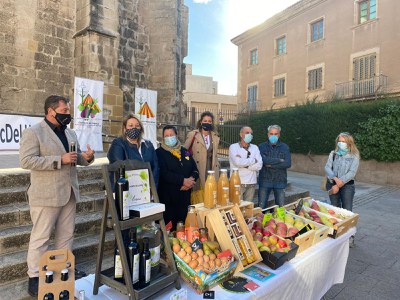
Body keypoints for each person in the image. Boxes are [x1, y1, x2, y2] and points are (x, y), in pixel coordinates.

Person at [19, 95, 95, 297]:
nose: (68, 114)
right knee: (41, 237)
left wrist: (86, 158)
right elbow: (27, 161)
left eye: (69, 111)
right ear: (51, 111)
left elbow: (75, 157)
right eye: (65, 111)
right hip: (45, 195)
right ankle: (34, 276)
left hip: (69, 193)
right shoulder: (33, 132)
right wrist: (58, 160)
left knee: (66, 235)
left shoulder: (70, 133)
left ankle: (63, 269)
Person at [156, 125, 199, 230]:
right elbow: (163, 173)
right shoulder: (159, 153)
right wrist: (182, 181)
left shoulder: (185, 151)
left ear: (176, 135)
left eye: (171, 135)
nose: (169, 137)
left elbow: (195, 169)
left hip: (185, 197)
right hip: (168, 198)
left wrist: (190, 181)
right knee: (170, 229)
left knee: (184, 226)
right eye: (166, 135)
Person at [107, 113, 159, 186]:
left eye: (137, 125)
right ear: (125, 128)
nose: (134, 128)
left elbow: (155, 167)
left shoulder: (148, 144)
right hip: (126, 189)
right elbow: (118, 166)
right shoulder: (118, 143)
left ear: (141, 128)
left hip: (147, 189)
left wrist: (152, 187)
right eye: (130, 125)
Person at [184, 111, 220, 190]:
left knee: (211, 191)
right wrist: (188, 161)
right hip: (198, 168)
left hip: (211, 167)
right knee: (199, 193)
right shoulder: (193, 134)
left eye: (209, 121)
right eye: (205, 121)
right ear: (201, 122)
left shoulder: (215, 136)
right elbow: (185, 150)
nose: (207, 123)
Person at [258, 125, 291, 208]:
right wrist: (279, 160)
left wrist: (269, 164)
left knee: (280, 208)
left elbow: (287, 163)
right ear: (268, 134)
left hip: (280, 181)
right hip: (265, 180)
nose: (273, 136)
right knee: (261, 208)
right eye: (271, 133)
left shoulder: (285, 147)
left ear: (279, 135)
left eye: (275, 134)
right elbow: (262, 161)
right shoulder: (261, 147)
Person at [324, 132, 360, 209]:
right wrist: (335, 179)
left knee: (347, 210)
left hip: (347, 186)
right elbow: (327, 167)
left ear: (349, 143)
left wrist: (337, 185)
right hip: (331, 184)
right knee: (335, 209)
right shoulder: (333, 154)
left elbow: (352, 172)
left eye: (343, 142)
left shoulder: (354, 155)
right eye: (339, 141)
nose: (340, 143)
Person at [229, 126, 262, 203]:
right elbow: (237, 162)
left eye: (251, 133)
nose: (249, 135)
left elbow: (259, 165)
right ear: (241, 134)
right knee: (236, 208)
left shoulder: (255, 148)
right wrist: (254, 160)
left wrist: (244, 164)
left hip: (251, 183)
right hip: (237, 183)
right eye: (247, 133)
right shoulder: (233, 147)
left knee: (248, 209)